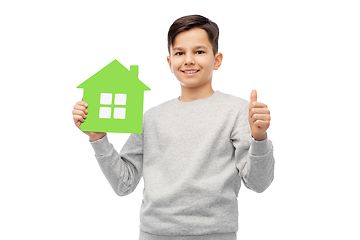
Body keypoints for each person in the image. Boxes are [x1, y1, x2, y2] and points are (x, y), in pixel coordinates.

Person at [72, 14, 275, 240]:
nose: (188, 60)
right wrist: (98, 138)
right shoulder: (150, 118)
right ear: (170, 62)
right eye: (179, 53)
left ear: (216, 60)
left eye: (199, 51)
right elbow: (124, 184)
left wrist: (259, 138)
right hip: (155, 234)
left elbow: (258, 183)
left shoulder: (238, 111)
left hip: (215, 234)